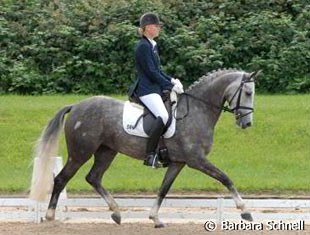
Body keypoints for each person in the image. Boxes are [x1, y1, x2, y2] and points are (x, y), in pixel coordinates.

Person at [133, 12, 183, 168]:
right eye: (156, 26)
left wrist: (171, 80)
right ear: (147, 28)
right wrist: (169, 86)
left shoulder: (152, 45)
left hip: (154, 87)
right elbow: (151, 72)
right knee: (162, 114)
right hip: (146, 89)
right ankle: (150, 155)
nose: (158, 28)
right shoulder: (143, 46)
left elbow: (158, 70)